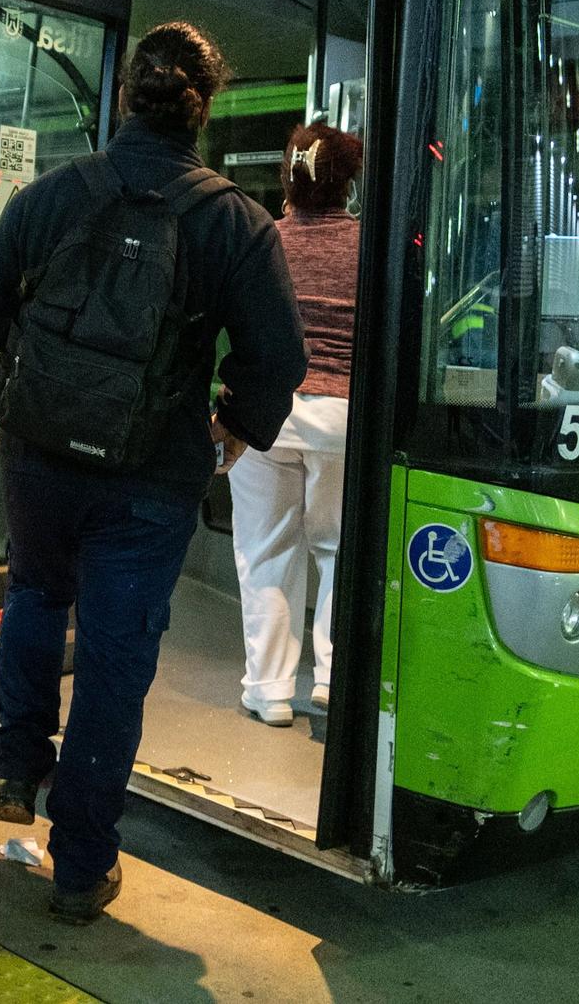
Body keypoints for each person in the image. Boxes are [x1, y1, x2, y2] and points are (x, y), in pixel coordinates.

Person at [0, 20, 307, 924]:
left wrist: (16, 404)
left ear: (127, 97)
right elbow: (279, 356)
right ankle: (80, 867)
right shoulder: (236, 222)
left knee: (36, 595)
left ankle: (12, 766)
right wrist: (232, 426)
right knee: (116, 665)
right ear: (205, 104)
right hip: (150, 475)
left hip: (40, 462)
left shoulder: (46, 197)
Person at [231, 121, 363, 727]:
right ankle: (333, 680)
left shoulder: (265, 240)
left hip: (269, 414)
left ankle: (269, 690)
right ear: (350, 185)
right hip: (342, 418)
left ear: (287, 180)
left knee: (267, 551)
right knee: (339, 550)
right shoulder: (369, 246)